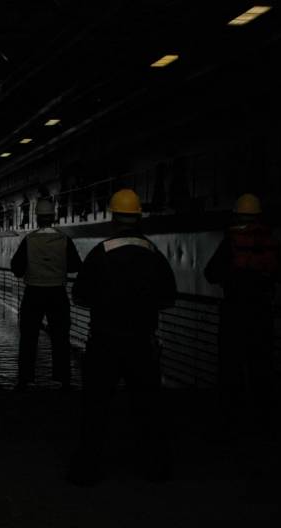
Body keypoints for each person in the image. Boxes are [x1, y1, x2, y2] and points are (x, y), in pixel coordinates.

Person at [67, 189, 177, 485]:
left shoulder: (100, 253)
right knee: (147, 407)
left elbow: (80, 296)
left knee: (96, 407)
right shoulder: (154, 253)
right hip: (142, 342)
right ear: (138, 217)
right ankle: (155, 467)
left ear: (113, 218)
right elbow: (169, 298)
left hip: (104, 341)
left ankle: (88, 469)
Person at [204, 193, 281, 434]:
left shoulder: (231, 241)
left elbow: (210, 273)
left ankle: (231, 421)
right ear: (259, 215)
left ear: (236, 215)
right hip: (262, 313)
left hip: (234, 312)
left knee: (230, 369)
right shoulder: (271, 242)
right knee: (261, 368)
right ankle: (263, 421)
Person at [10, 198, 82, 390]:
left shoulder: (29, 240)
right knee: (60, 338)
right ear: (53, 217)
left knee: (28, 338)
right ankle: (63, 379)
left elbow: (16, 268)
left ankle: (25, 379)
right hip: (57, 293)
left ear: (37, 217)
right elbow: (75, 265)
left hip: (33, 293)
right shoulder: (65, 239)